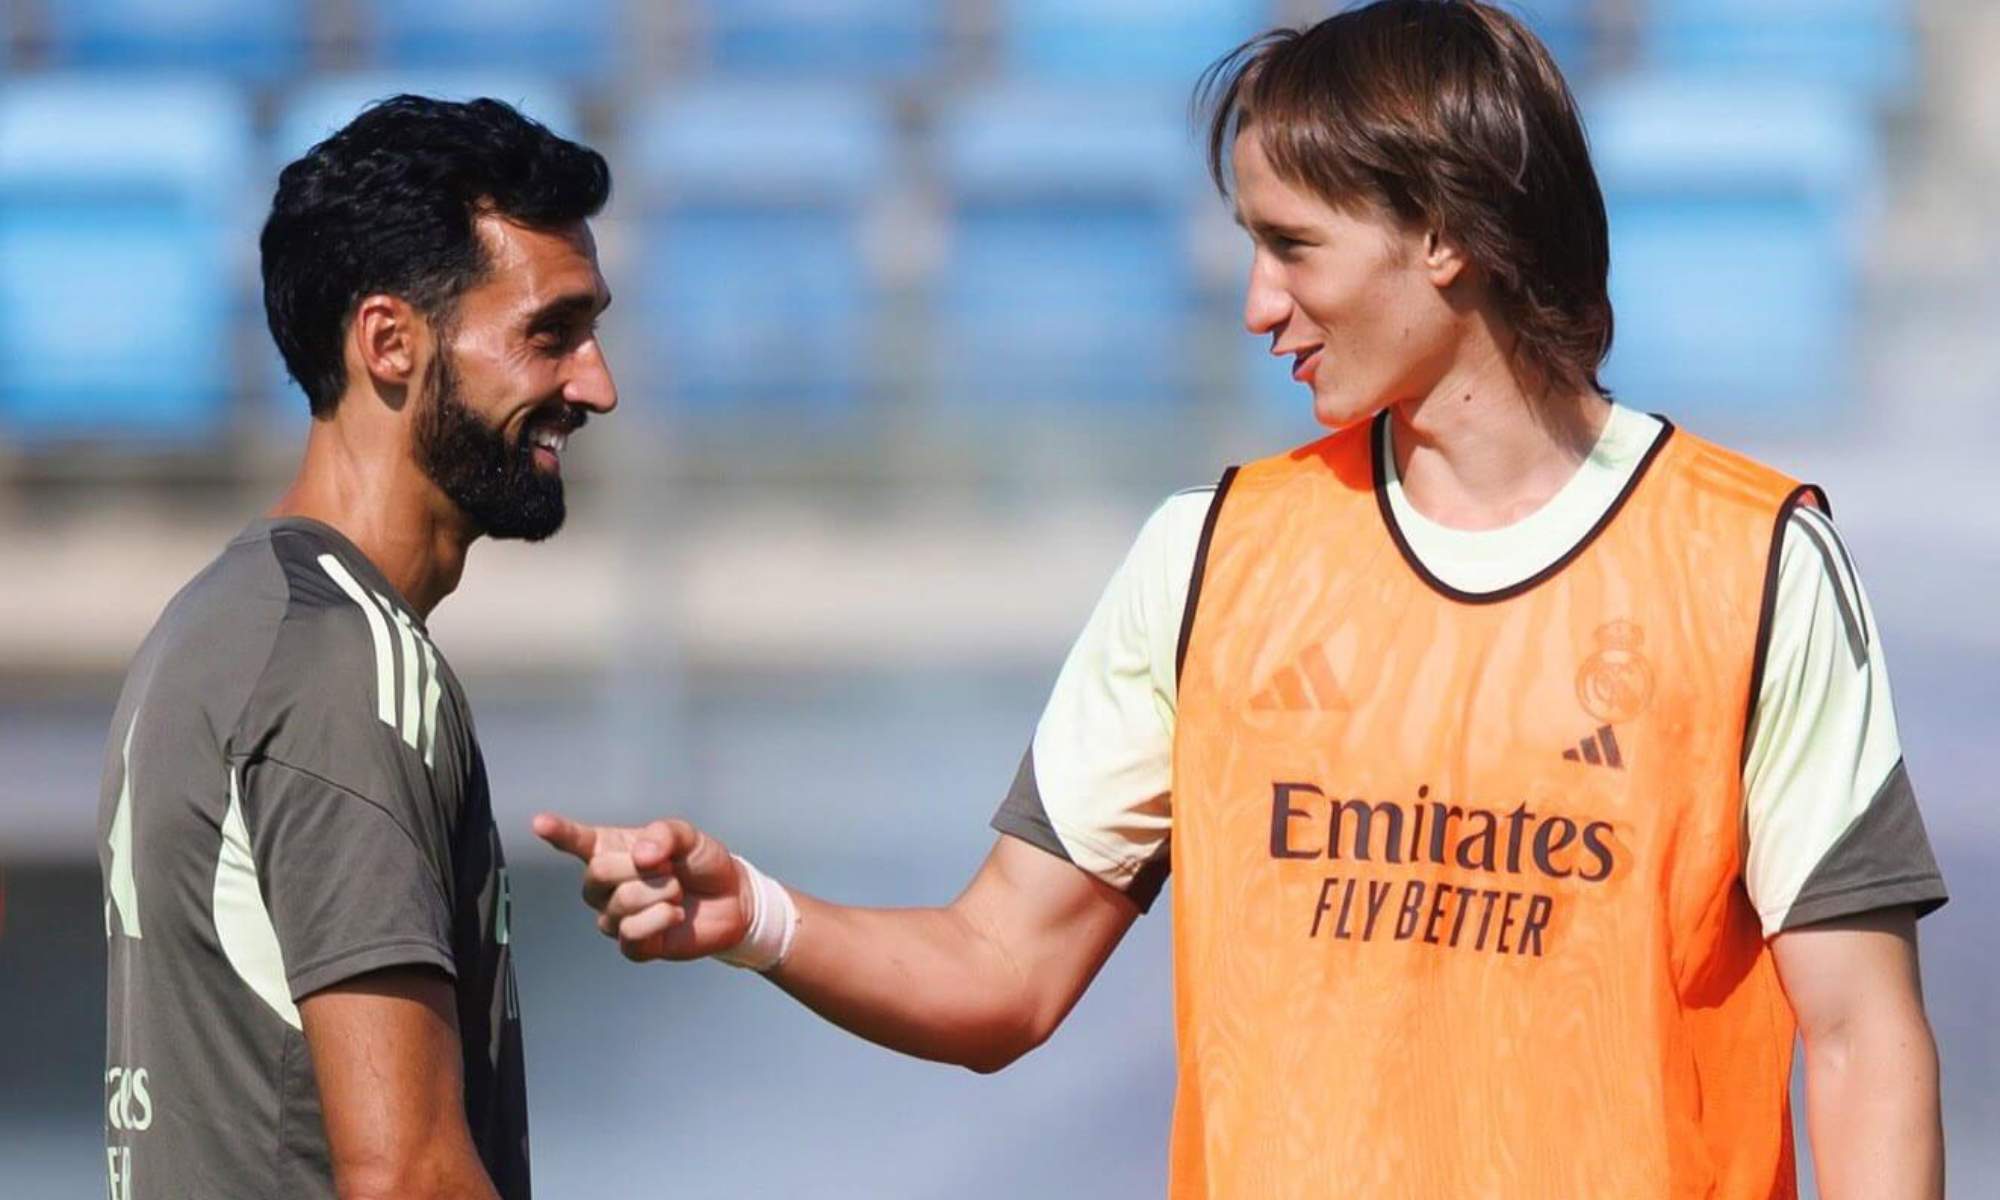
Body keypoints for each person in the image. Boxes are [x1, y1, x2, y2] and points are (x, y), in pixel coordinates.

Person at [536, 3, 1947, 1196]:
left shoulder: (1753, 560)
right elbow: (999, 972)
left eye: (1294, 244)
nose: (1256, 301)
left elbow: (1860, 1039)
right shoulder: (1211, 556)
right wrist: (761, 918)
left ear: (1446, 235)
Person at [98, 95, 616, 1200]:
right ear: (389, 341)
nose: (594, 385)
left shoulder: (224, 620)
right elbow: (409, 1175)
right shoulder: (341, 660)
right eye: (549, 333)